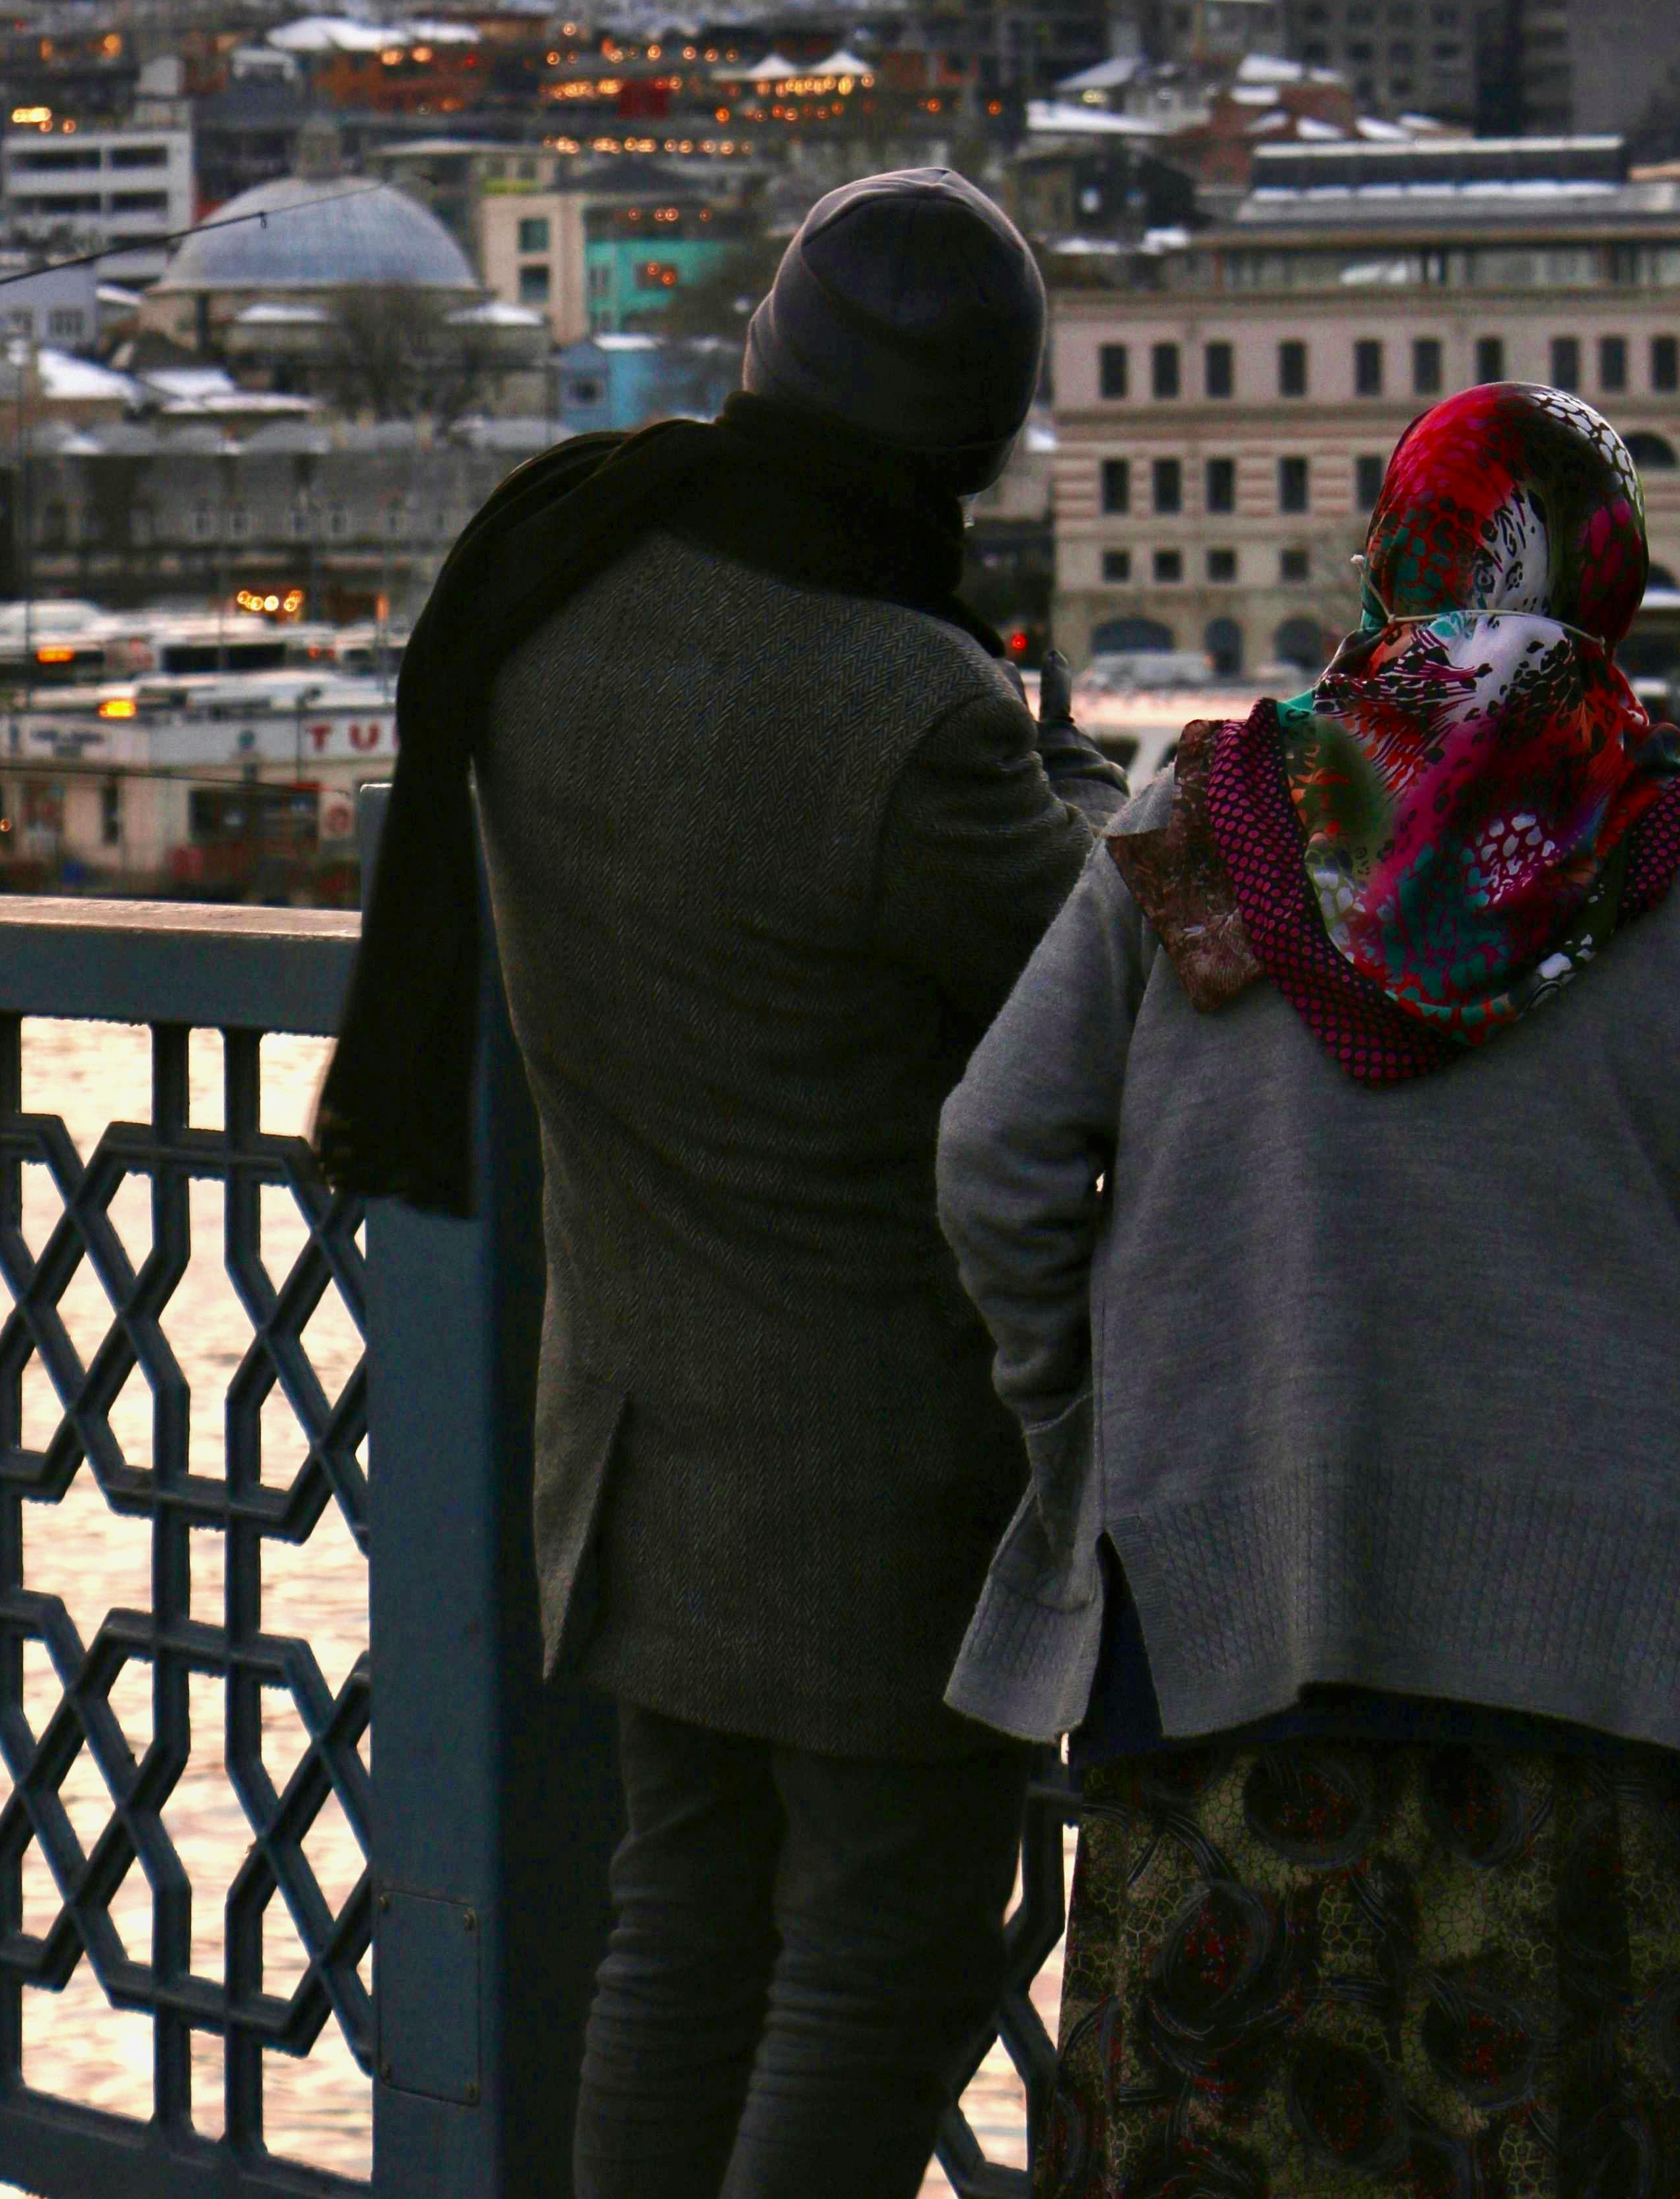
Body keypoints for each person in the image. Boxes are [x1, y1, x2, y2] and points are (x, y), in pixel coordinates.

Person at [936, 383, 1680, 2199]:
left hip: (1234, 1643)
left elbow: (998, 1160)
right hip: (1633, 1687)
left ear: (1388, 550)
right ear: (1614, 578)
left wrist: (1101, 1445)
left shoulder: (1196, 819)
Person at [318, 165, 1123, 2199]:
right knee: (885, 1960)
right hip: (870, 1471)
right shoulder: (909, 709)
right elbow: (1096, 975)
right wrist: (1093, 777)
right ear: (974, 438)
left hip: (627, 1429)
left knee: (677, 1933)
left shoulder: (560, 580)